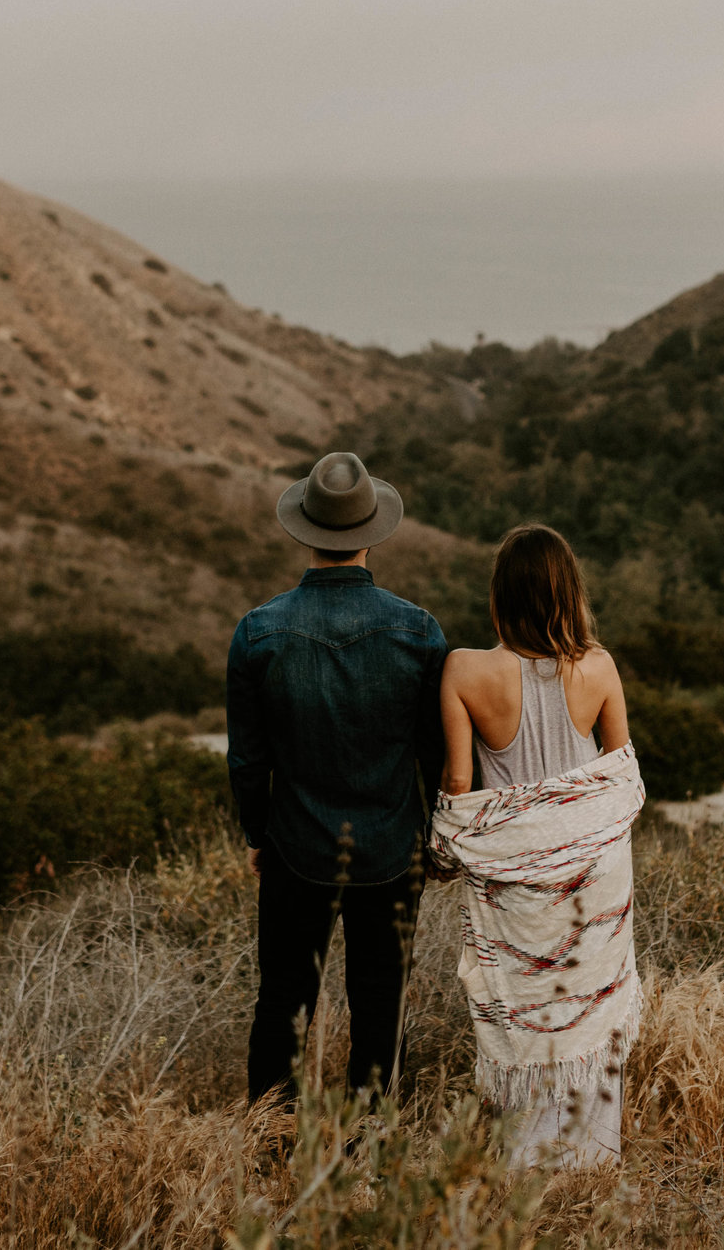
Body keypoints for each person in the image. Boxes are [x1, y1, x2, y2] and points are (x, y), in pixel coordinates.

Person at [228, 451, 449, 1108]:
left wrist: (257, 831)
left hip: (296, 844)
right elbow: (435, 754)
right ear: (372, 531)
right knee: (380, 999)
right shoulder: (420, 631)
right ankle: (369, 1143)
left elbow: (247, 758)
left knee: (283, 999)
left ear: (305, 529)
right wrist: (435, 834)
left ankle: (272, 1137)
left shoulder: (258, 631)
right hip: (391, 845)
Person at [429, 524, 645, 1170]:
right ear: (568, 592)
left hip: (513, 886)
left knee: (524, 1014)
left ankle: (523, 1159)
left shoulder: (465, 669)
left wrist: (444, 852)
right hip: (593, 879)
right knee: (587, 1006)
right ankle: (590, 1156)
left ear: (500, 595)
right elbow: (620, 778)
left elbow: (460, 783)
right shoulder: (599, 666)